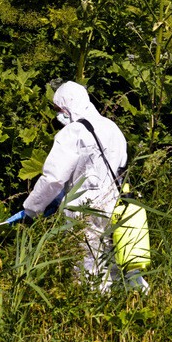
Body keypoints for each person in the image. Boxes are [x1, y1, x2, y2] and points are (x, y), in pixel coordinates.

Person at [21, 81, 148, 293]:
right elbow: (120, 166)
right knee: (120, 262)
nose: (58, 115)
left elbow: (53, 178)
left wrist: (31, 210)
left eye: (58, 109)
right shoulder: (112, 128)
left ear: (66, 106)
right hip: (116, 204)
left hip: (84, 208)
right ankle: (135, 306)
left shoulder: (72, 133)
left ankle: (94, 315)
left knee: (89, 269)